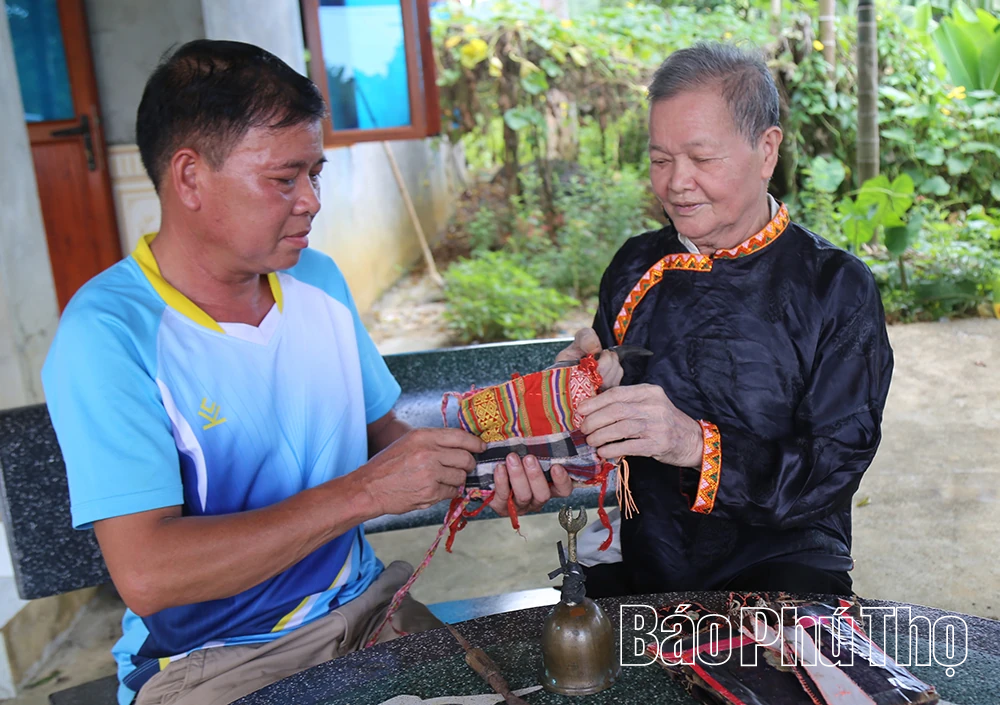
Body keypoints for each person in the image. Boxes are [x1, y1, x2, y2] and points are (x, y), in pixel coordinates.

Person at [40, 40, 569, 705]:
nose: (312, 200)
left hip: (367, 609)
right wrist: (365, 493)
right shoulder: (110, 333)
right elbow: (148, 572)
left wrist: (489, 469)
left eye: (315, 173)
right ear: (189, 177)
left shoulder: (315, 279)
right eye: (284, 179)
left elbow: (384, 435)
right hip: (212, 660)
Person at [558, 42, 894, 597]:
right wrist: (580, 391)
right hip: (653, 553)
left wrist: (695, 444)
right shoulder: (634, 267)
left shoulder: (833, 285)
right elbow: (602, 430)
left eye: (702, 159)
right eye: (660, 160)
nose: (675, 182)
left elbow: (834, 465)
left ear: (766, 151)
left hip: (787, 561)